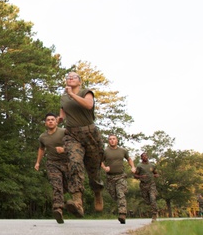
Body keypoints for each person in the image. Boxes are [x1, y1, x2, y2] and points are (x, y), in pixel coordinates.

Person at [58, 72, 105, 217]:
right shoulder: (64, 97)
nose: (70, 78)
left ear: (80, 81)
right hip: (72, 135)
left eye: (74, 76)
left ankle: (97, 191)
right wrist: (59, 119)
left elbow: (88, 105)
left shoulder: (86, 92)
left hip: (90, 134)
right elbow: (62, 114)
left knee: (93, 169)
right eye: (68, 77)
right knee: (74, 164)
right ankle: (77, 202)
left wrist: (72, 94)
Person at [35, 113, 69, 224]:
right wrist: (38, 162)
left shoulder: (64, 132)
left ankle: (72, 204)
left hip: (67, 162)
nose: (50, 121)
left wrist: (64, 149)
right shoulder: (42, 137)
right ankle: (58, 209)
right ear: (45, 123)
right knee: (56, 184)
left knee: (67, 186)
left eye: (52, 120)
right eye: (48, 120)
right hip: (52, 163)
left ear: (56, 121)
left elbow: (74, 144)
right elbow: (41, 149)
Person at [101, 134, 135, 224]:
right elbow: (100, 162)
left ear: (117, 140)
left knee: (121, 193)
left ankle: (122, 214)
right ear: (108, 141)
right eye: (110, 139)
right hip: (110, 178)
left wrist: (133, 167)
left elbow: (129, 159)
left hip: (120, 176)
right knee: (114, 196)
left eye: (114, 139)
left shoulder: (122, 150)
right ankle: (123, 206)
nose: (112, 140)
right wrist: (105, 168)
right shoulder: (105, 151)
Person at [134, 152, 159, 221]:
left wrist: (156, 175)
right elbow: (135, 176)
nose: (145, 157)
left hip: (151, 184)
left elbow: (156, 173)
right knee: (147, 201)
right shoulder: (139, 166)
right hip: (143, 185)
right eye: (143, 156)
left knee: (152, 198)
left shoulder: (152, 165)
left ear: (148, 157)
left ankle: (154, 214)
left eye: (146, 156)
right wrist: (141, 176)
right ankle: (153, 206)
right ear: (141, 158)